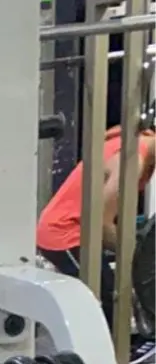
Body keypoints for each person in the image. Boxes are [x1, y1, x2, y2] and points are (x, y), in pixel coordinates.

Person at [37, 122, 156, 325]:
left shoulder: (138, 140)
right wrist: (141, 254)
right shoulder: (132, 160)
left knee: (109, 299)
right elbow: (102, 224)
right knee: (106, 307)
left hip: (83, 230)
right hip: (64, 233)